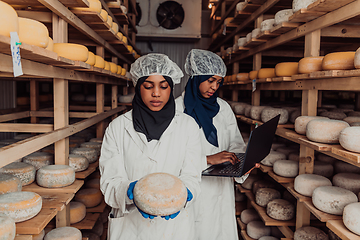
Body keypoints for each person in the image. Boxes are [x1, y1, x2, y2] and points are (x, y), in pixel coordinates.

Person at [99, 53, 202, 240]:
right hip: (131, 228)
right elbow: (109, 181)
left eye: (164, 86)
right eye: (148, 86)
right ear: (138, 87)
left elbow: (193, 175)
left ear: (171, 88)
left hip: (175, 230)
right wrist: (129, 192)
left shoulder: (188, 126)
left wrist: (184, 194)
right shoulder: (118, 127)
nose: (156, 93)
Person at [175, 49, 247, 240]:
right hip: (193, 191)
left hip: (221, 191)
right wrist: (207, 159)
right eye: (210, 80)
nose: (214, 87)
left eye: (218, 82)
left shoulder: (223, 108)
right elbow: (168, 157)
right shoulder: (176, 110)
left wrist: (244, 163)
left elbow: (236, 143)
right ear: (197, 77)